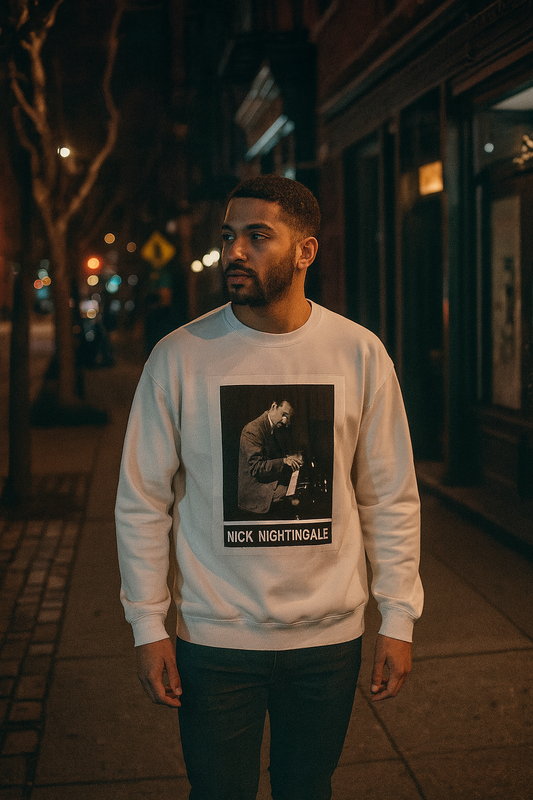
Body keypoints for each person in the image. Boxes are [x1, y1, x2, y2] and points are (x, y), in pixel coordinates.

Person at [115, 175, 424, 800]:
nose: (235, 252)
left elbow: (389, 495)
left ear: (305, 251)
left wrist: (399, 615)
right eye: (229, 236)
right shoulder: (179, 358)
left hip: (328, 640)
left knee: (307, 789)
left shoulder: (359, 354)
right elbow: (142, 502)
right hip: (216, 639)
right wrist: (148, 626)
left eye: (258, 237)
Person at [238, 398, 303, 515]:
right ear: (274, 406)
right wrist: (284, 461)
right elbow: (256, 468)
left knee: (299, 489)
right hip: (254, 490)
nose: (285, 421)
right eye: (284, 415)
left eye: (288, 418)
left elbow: (274, 457)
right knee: (296, 497)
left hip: (268, 481)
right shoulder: (253, 430)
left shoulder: (274, 427)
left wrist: (292, 457)